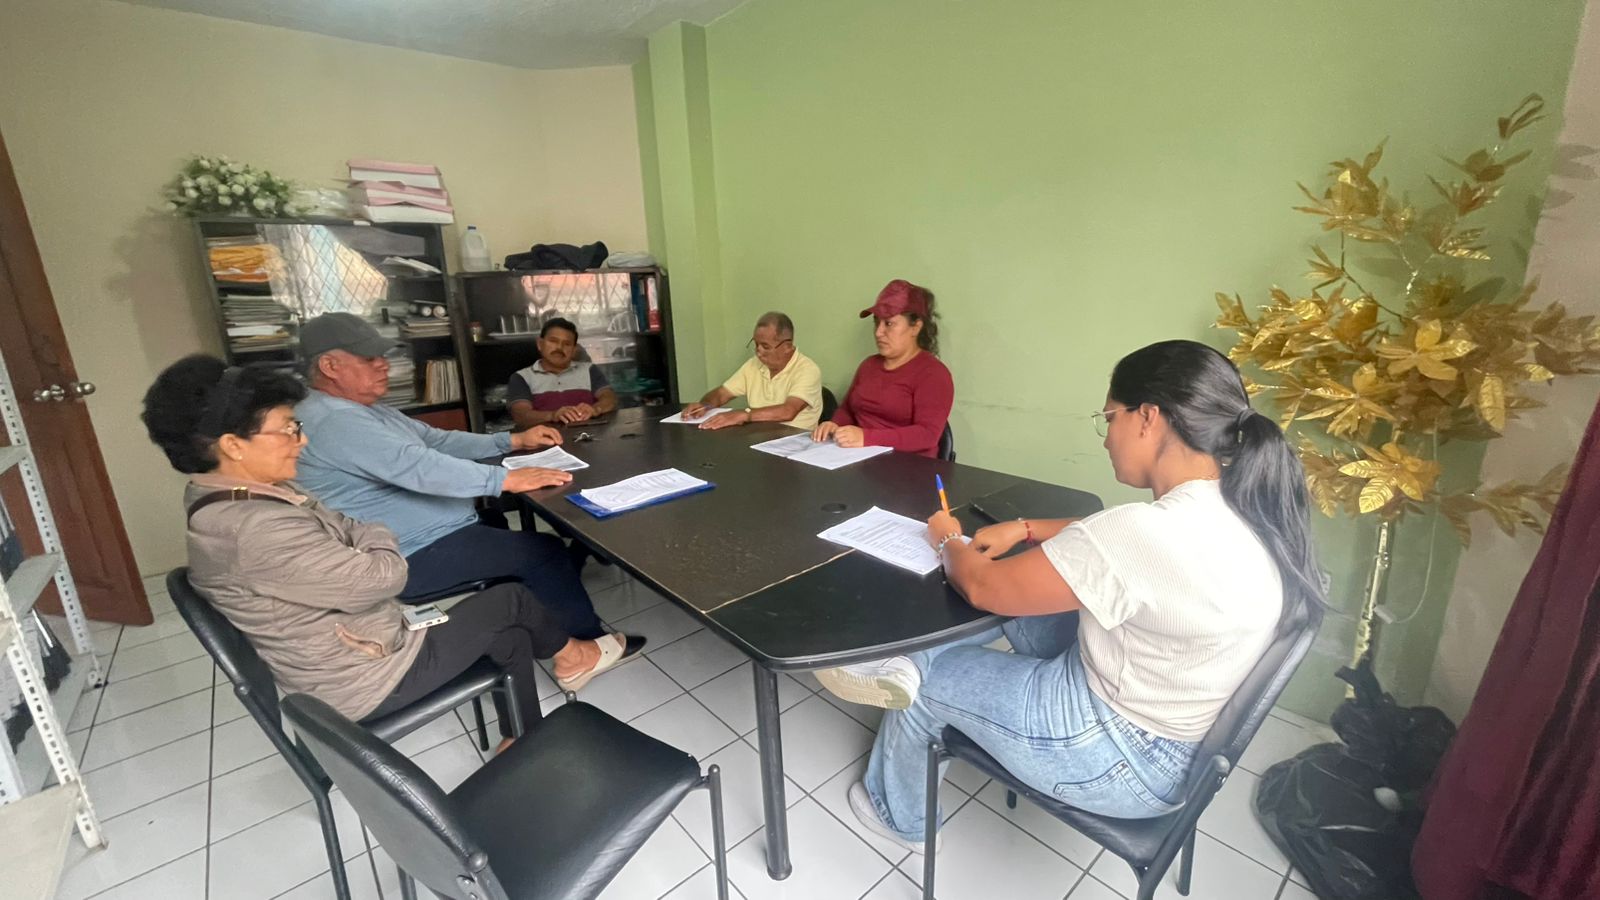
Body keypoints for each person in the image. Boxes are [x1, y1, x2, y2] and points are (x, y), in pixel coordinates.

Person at [814, 340, 1326, 853]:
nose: (1106, 439)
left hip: (1119, 754)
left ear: (1148, 418)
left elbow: (982, 586)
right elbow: (1108, 539)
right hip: (1173, 731)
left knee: (943, 663)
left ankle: (897, 813)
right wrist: (1026, 528)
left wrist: (948, 537)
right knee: (1026, 587)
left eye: (1110, 418)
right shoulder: (1243, 504)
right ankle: (905, 662)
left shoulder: (1148, 532)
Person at [142, 356, 628, 750]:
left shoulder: (238, 496)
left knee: (511, 627)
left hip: (356, 638)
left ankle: (520, 735)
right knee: (510, 601)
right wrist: (379, 529)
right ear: (233, 445)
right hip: (363, 676)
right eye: (288, 429)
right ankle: (578, 654)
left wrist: (362, 533)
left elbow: (348, 527)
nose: (301, 439)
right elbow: (383, 574)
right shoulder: (251, 529)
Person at [290, 313, 632, 649]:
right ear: (330, 366)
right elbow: (420, 467)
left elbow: (436, 440)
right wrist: (504, 479)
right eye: (369, 358)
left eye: (382, 356)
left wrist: (511, 441)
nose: (384, 365)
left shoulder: (360, 408)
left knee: (499, 523)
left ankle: (530, 613)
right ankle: (587, 645)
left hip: (425, 533)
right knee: (545, 552)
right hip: (409, 552)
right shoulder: (335, 420)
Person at [812, 279, 953, 457]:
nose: (878, 332)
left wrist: (866, 437)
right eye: (876, 322)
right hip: (859, 458)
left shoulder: (933, 373)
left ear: (915, 327)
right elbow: (848, 409)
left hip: (908, 466)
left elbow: (927, 435)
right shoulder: (868, 366)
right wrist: (835, 424)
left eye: (889, 323)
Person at [682, 312, 824, 431]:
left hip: (795, 444)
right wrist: (705, 405)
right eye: (756, 344)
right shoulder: (753, 365)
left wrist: (744, 415)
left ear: (787, 346)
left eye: (765, 346)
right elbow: (721, 394)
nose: (758, 352)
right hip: (757, 439)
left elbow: (788, 411)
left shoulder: (808, 370)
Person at [507, 317, 618, 427]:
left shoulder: (589, 370)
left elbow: (609, 398)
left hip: (589, 434)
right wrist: (552, 415)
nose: (559, 348)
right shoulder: (521, 377)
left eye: (567, 344)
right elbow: (521, 415)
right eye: (553, 341)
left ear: (574, 350)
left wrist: (595, 409)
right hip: (544, 437)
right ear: (540, 344)